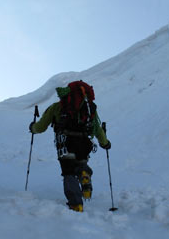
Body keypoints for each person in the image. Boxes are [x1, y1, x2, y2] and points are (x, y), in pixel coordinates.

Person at [29, 81, 111, 212]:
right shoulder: (89, 108)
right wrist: (105, 143)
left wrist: (32, 128)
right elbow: (97, 129)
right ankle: (85, 175)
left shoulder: (57, 107)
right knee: (81, 164)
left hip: (66, 144)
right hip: (84, 144)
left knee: (69, 172)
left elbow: (41, 127)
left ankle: (76, 204)